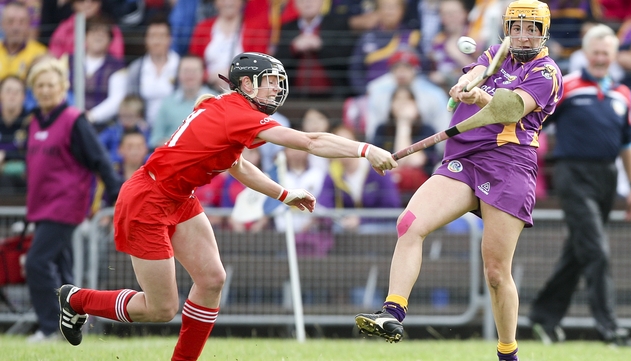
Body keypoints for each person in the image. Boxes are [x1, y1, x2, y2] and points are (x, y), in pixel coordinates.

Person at [56, 52, 397, 360]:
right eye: (270, 84)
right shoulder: (237, 114)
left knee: (212, 279)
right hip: (147, 200)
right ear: (246, 84)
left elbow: (237, 165)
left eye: (279, 83)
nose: (277, 91)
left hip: (179, 197)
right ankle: (76, 300)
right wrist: (365, 150)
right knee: (160, 308)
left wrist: (282, 193)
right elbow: (310, 140)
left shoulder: (231, 109)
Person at [354, 2, 563, 361]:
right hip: (464, 158)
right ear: (507, 28)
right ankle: (393, 312)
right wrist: (463, 84)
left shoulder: (547, 72)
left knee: (496, 273)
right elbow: (474, 72)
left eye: (531, 28)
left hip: (509, 165)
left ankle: (507, 352)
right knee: (410, 224)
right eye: (516, 27)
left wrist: (480, 95)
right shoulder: (496, 53)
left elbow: (512, 108)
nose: (523, 35)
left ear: (543, 32)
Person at [529, 24, 631, 347]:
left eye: (607, 52)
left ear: (614, 55)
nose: (601, 57)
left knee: (579, 252)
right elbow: (538, 121)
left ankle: (542, 317)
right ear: (586, 53)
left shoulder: (622, 94)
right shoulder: (569, 86)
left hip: (606, 176)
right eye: (596, 52)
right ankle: (610, 329)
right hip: (572, 174)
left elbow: (626, 144)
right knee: (597, 251)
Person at [24, 56, 122, 343]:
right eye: (39, 85)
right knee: (62, 270)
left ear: (63, 86)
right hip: (41, 206)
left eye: (50, 84)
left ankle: (49, 327)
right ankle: (69, 328)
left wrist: (118, 194)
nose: (44, 90)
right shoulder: (34, 122)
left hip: (65, 205)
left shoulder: (73, 120)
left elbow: (100, 160)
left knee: (36, 263)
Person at [149, 55, 216, 148]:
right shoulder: (167, 103)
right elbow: (156, 139)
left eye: (194, 71)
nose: (190, 75)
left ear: (203, 74)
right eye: (186, 71)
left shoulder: (216, 101)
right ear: (178, 73)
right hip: (173, 157)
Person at [0, 2, 48, 80]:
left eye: (21, 22)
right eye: (10, 21)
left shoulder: (40, 53)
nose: (16, 27)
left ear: (28, 24)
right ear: (2, 24)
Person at [0, 75, 29, 195]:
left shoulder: (31, 121)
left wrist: (5, 156)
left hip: (22, 180)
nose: (12, 96)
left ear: (24, 97)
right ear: (0, 94)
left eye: (16, 92)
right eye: (8, 91)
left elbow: (33, 153)